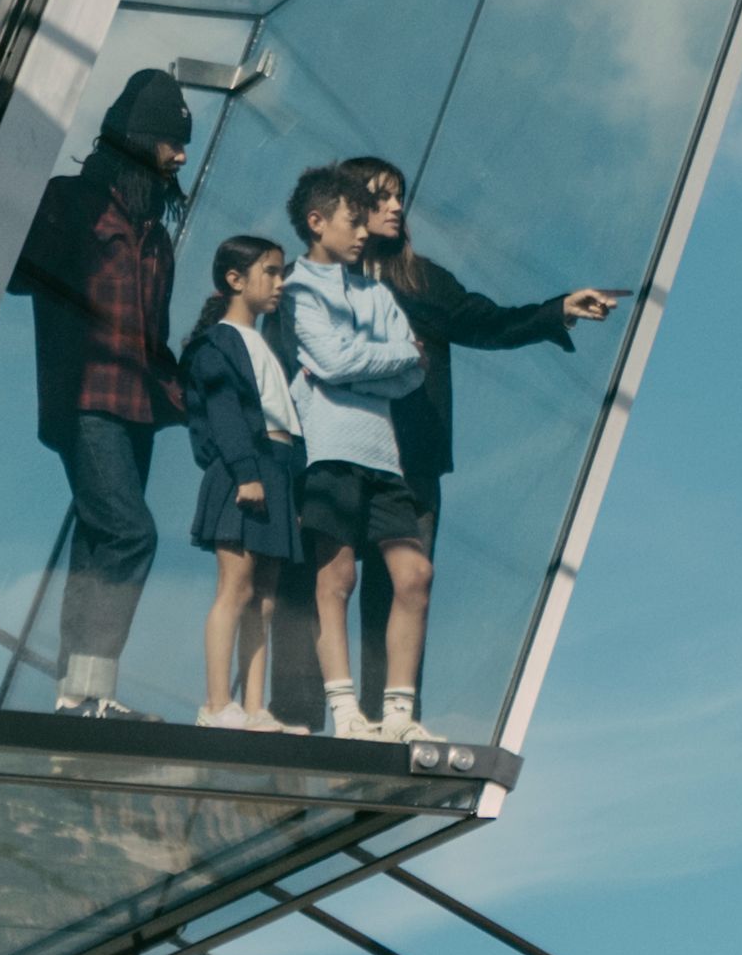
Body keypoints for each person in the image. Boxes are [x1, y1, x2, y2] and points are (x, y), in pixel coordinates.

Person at [325, 153, 614, 750]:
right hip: (339, 458)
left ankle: (393, 722)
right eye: (382, 196)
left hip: (411, 462)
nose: (397, 206)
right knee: (327, 582)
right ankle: (317, 722)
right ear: (348, 203)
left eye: (400, 196)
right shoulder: (318, 282)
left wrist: (556, 309)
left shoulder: (421, 281)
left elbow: (487, 321)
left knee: (403, 589)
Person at [0, 65, 195, 713]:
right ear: (139, 139)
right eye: (171, 141)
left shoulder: (156, 235)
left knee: (97, 540)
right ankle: (93, 685)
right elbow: (13, 272)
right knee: (132, 533)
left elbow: (152, 339)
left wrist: (193, 395)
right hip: (85, 398)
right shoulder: (72, 204)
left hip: (137, 408)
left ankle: (73, 696)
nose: (181, 155)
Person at [259, 161, 433, 736]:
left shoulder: (377, 292)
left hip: (383, 456)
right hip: (328, 453)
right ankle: (346, 712)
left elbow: (411, 373)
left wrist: (360, 369)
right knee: (336, 580)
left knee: (415, 575)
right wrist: (389, 358)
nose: (364, 233)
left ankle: (398, 715)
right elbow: (338, 361)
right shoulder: (296, 289)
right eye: (353, 221)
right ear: (317, 222)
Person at [181, 229, 307, 727]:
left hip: (276, 470)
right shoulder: (218, 343)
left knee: (265, 598)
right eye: (270, 272)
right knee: (234, 588)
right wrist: (245, 473)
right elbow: (224, 412)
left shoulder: (262, 344)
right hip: (245, 470)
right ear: (236, 279)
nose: (279, 283)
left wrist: (289, 488)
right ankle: (216, 704)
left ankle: (255, 708)